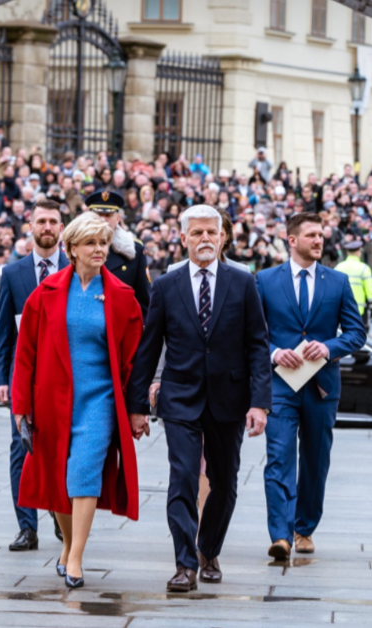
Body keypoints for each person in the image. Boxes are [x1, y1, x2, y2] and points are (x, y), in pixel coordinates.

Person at [126, 205, 272, 592]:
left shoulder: (243, 283)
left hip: (230, 397)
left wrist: (260, 403)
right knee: (184, 478)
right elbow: (148, 348)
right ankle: (185, 564)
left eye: (212, 232)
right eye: (198, 233)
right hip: (180, 397)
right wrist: (137, 406)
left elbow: (258, 345)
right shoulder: (165, 286)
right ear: (183, 238)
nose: (206, 239)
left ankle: (209, 550)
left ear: (223, 236)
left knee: (224, 481)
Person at [11, 212, 143, 589]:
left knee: (82, 474)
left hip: (99, 400)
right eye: (91, 243)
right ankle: (67, 545)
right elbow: (26, 354)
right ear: (72, 249)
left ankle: (77, 558)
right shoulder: (46, 292)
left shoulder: (123, 296)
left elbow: (134, 360)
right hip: (51, 399)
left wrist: (137, 410)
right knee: (56, 476)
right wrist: (21, 407)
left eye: (103, 242)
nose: (99, 249)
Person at [256, 213, 366, 559]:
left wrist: (329, 346)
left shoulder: (338, 281)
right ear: (292, 240)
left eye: (321, 235)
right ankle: (280, 535)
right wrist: (274, 353)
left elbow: (356, 333)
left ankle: (304, 528)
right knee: (279, 456)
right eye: (311, 235)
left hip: (321, 387)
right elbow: (254, 334)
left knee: (316, 462)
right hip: (280, 386)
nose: (319, 240)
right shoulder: (264, 280)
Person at [0, 199, 69, 552]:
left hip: (65, 380)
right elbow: (3, 333)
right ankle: (27, 526)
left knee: (62, 449)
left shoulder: (76, 268)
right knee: (21, 448)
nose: (48, 227)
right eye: (42, 221)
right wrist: (1, 380)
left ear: (62, 228)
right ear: (31, 226)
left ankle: (59, 512)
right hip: (23, 379)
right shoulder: (13, 273)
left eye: (54, 221)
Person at [85, 190, 151, 318]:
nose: (103, 219)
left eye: (108, 215)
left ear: (118, 218)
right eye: (99, 214)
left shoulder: (134, 250)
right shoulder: (74, 247)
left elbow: (143, 301)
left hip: (120, 325)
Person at [335, 240, 372, 326]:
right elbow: (370, 291)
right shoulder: (364, 268)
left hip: (341, 310)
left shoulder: (338, 267)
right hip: (360, 310)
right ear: (359, 252)